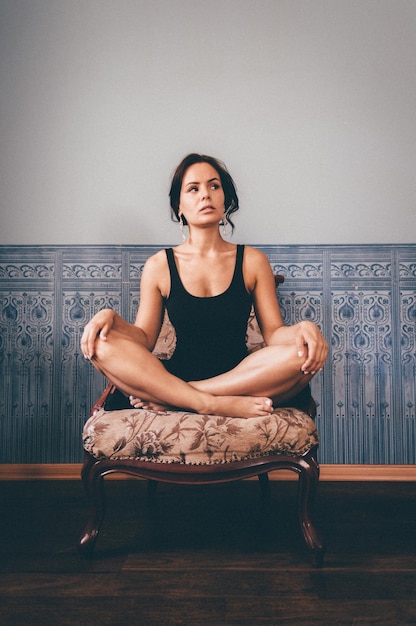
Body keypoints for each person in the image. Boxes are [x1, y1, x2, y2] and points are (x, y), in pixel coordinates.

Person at [81, 153, 328, 419]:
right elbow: (144, 340)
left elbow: (274, 334)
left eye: (214, 186)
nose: (205, 195)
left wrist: (305, 328)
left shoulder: (253, 261)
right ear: (179, 205)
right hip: (177, 372)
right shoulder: (159, 265)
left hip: (243, 377)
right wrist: (111, 319)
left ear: (225, 199)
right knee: (102, 345)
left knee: (300, 354)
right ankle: (212, 403)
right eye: (193, 189)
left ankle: (181, 397)